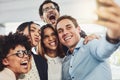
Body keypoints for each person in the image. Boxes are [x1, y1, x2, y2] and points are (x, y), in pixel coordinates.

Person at [55, 15, 120, 80]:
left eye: (69, 27)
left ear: (78, 29)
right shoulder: (65, 62)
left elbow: (104, 48)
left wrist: (114, 31)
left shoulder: (91, 44)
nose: (65, 32)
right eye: (60, 31)